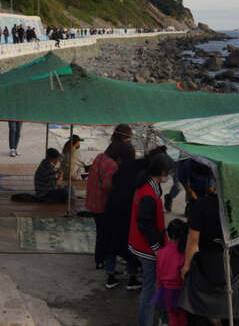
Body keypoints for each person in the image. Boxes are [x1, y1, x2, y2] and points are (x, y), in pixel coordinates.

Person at [179, 173, 239, 326]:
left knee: (198, 310)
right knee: (232, 313)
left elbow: (193, 240)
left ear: (215, 184)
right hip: (234, 267)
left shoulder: (201, 205)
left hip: (206, 266)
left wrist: (186, 265)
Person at [129, 152, 176, 326]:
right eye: (168, 173)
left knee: (151, 288)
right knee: (149, 291)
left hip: (141, 243)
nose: (169, 176)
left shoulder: (147, 186)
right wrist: (156, 248)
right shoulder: (148, 194)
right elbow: (145, 224)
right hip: (146, 248)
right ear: (162, 172)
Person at [86, 123, 135, 269]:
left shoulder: (101, 156)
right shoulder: (111, 165)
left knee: (101, 233)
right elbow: (108, 187)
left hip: (93, 202)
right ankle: (103, 261)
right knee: (106, 234)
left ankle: (100, 260)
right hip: (102, 204)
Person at [104, 146, 143, 290]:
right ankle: (132, 277)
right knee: (131, 245)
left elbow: (112, 183)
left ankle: (110, 276)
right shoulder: (139, 170)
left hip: (113, 209)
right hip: (128, 212)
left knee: (112, 244)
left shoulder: (119, 170)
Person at [152, 219, 189, 326]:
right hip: (180, 293)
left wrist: (160, 290)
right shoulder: (184, 253)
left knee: (172, 320)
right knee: (183, 320)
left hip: (165, 292)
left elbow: (159, 276)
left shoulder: (161, 252)